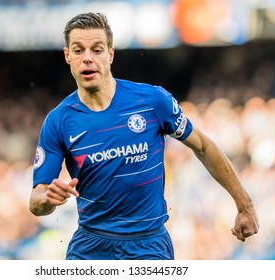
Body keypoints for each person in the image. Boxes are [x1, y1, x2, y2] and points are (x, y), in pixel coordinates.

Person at [29, 12, 259, 260]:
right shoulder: (58, 121)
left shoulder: (151, 101)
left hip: (148, 246)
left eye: (96, 50)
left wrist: (244, 205)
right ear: (67, 56)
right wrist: (48, 199)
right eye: (78, 50)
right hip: (90, 247)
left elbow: (203, 146)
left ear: (110, 54)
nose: (87, 58)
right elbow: (37, 201)